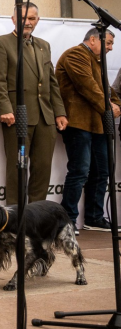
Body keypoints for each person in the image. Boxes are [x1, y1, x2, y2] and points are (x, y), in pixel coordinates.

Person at [0, 2, 67, 204]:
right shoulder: (1, 43)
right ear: (14, 19)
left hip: (45, 118)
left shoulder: (44, 45)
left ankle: (36, 217)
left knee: (42, 170)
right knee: (17, 169)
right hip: (17, 117)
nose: (28, 22)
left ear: (37, 20)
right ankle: (14, 219)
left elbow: (51, 82)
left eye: (32, 18)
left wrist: (59, 112)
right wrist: (5, 108)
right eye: (23, 18)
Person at [56, 28, 120, 230]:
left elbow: (108, 89)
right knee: (79, 171)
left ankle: (94, 217)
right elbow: (88, 87)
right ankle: (67, 219)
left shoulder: (97, 61)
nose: (110, 48)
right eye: (108, 43)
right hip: (78, 124)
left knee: (102, 171)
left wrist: (116, 104)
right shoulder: (75, 54)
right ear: (92, 39)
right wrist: (110, 107)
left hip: (97, 125)